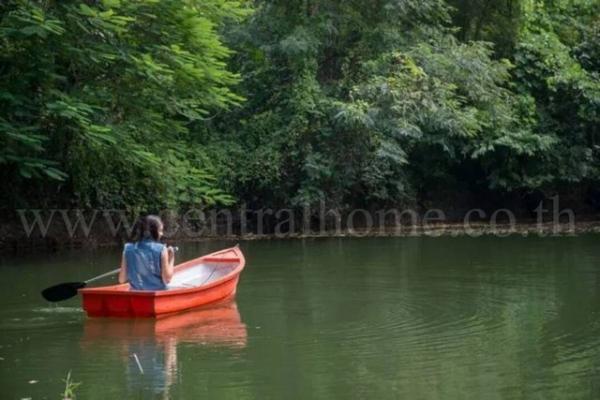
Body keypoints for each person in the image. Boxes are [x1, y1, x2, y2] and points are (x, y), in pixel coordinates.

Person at [119, 215, 175, 290]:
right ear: (153, 231)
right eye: (160, 230)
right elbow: (167, 279)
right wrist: (171, 258)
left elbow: (122, 279)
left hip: (135, 293)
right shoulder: (162, 249)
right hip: (157, 293)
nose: (162, 234)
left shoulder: (127, 248)